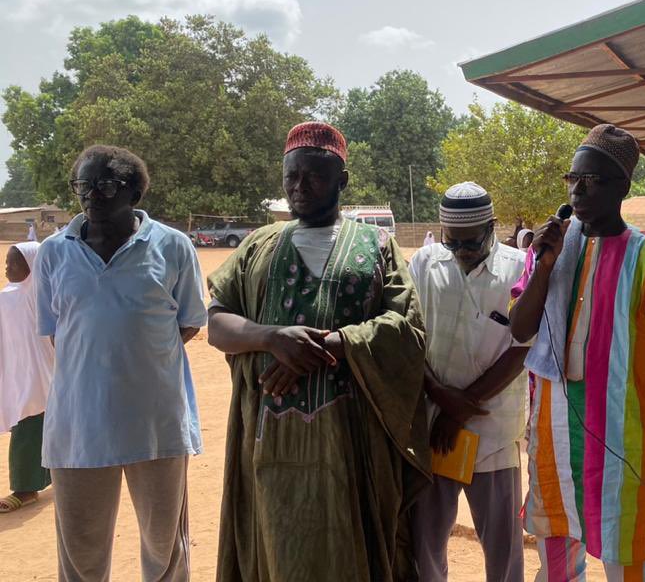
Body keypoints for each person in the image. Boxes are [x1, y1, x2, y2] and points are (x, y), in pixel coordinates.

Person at [206, 122, 430, 581]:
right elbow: (217, 325)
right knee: (275, 548)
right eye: (291, 176)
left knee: (352, 549)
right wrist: (271, 338)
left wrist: (333, 344)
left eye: (314, 176)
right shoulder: (257, 247)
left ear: (342, 180)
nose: (299, 188)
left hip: (351, 441)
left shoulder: (377, 246)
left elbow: (408, 329)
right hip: (269, 441)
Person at [508, 124, 645, 581]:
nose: (578, 190)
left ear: (623, 187)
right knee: (557, 553)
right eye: (572, 179)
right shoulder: (550, 249)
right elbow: (521, 330)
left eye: (591, 180)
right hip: (551, 434)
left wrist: (626, 369)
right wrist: (547, 264)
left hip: (621, 438)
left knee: (628, 556)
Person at [35, 145, 207, 581]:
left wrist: (138, 354)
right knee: (80, 556)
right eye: (83, 185)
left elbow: (188, 324)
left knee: (165, 550)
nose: (91, 195)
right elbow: (59, 332)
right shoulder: (54, 253)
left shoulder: (173, 246)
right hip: (78, 427)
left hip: (157, 425)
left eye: (105, 185)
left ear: (134, 192)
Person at [408, 182, 529, 582]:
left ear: (492, 227)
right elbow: (408, 337)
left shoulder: (518, 269)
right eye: (452, 242)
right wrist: (440, 396)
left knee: (503, 548)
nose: (461, 252)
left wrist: (460, 407)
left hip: (491, 429)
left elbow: (522, 348)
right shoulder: (425, 264)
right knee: (424, 537)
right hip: (432, 427)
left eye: (471, 243)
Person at [0, 242, 53, 513]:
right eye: (7, 262)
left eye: (14, 262)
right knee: (38, 423)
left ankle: (24, 489)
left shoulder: (42, 293)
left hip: (42, 371)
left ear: (32, 265)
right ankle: (49, 477)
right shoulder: (6, 296)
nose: (7, 267)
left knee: (28, 425)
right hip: (18, 372)